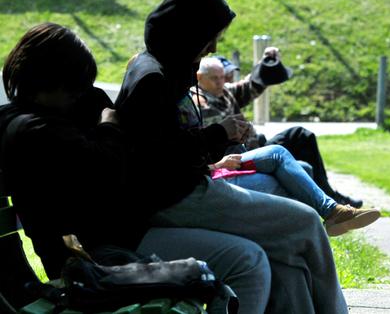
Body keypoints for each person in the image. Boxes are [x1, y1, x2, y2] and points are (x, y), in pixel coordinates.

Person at [0, 23, 272, 314]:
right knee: (248, 260)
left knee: (257, 248)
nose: (80, 95)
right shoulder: (35, 131)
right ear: (52, 81)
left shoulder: (28, 119)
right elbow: (109, 169)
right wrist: (109, 124)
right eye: (74, 88)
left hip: (110, 241)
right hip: (97, 256)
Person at [115, 0, 349, 314]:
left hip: (186, 188)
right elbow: (160, 157)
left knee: (285, 258)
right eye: (209, 38)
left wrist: (217, 145)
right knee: (307, 223)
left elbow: (168, 146)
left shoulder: (162, 68)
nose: (211, 48)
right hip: (175, 199)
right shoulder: (153, 79)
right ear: (188, 31)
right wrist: (219, 135)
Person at [194, 55, 363, 208]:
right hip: (240, 155)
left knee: (300, 135)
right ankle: (329, 202)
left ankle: (328, 196)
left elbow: (252, 85)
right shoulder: (197, 102)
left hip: (255, 146)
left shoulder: (224, 92)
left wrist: (267, 61)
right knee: (288, 157)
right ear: (199, 78)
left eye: (222, 77)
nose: (220, 82)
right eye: (214, 78)